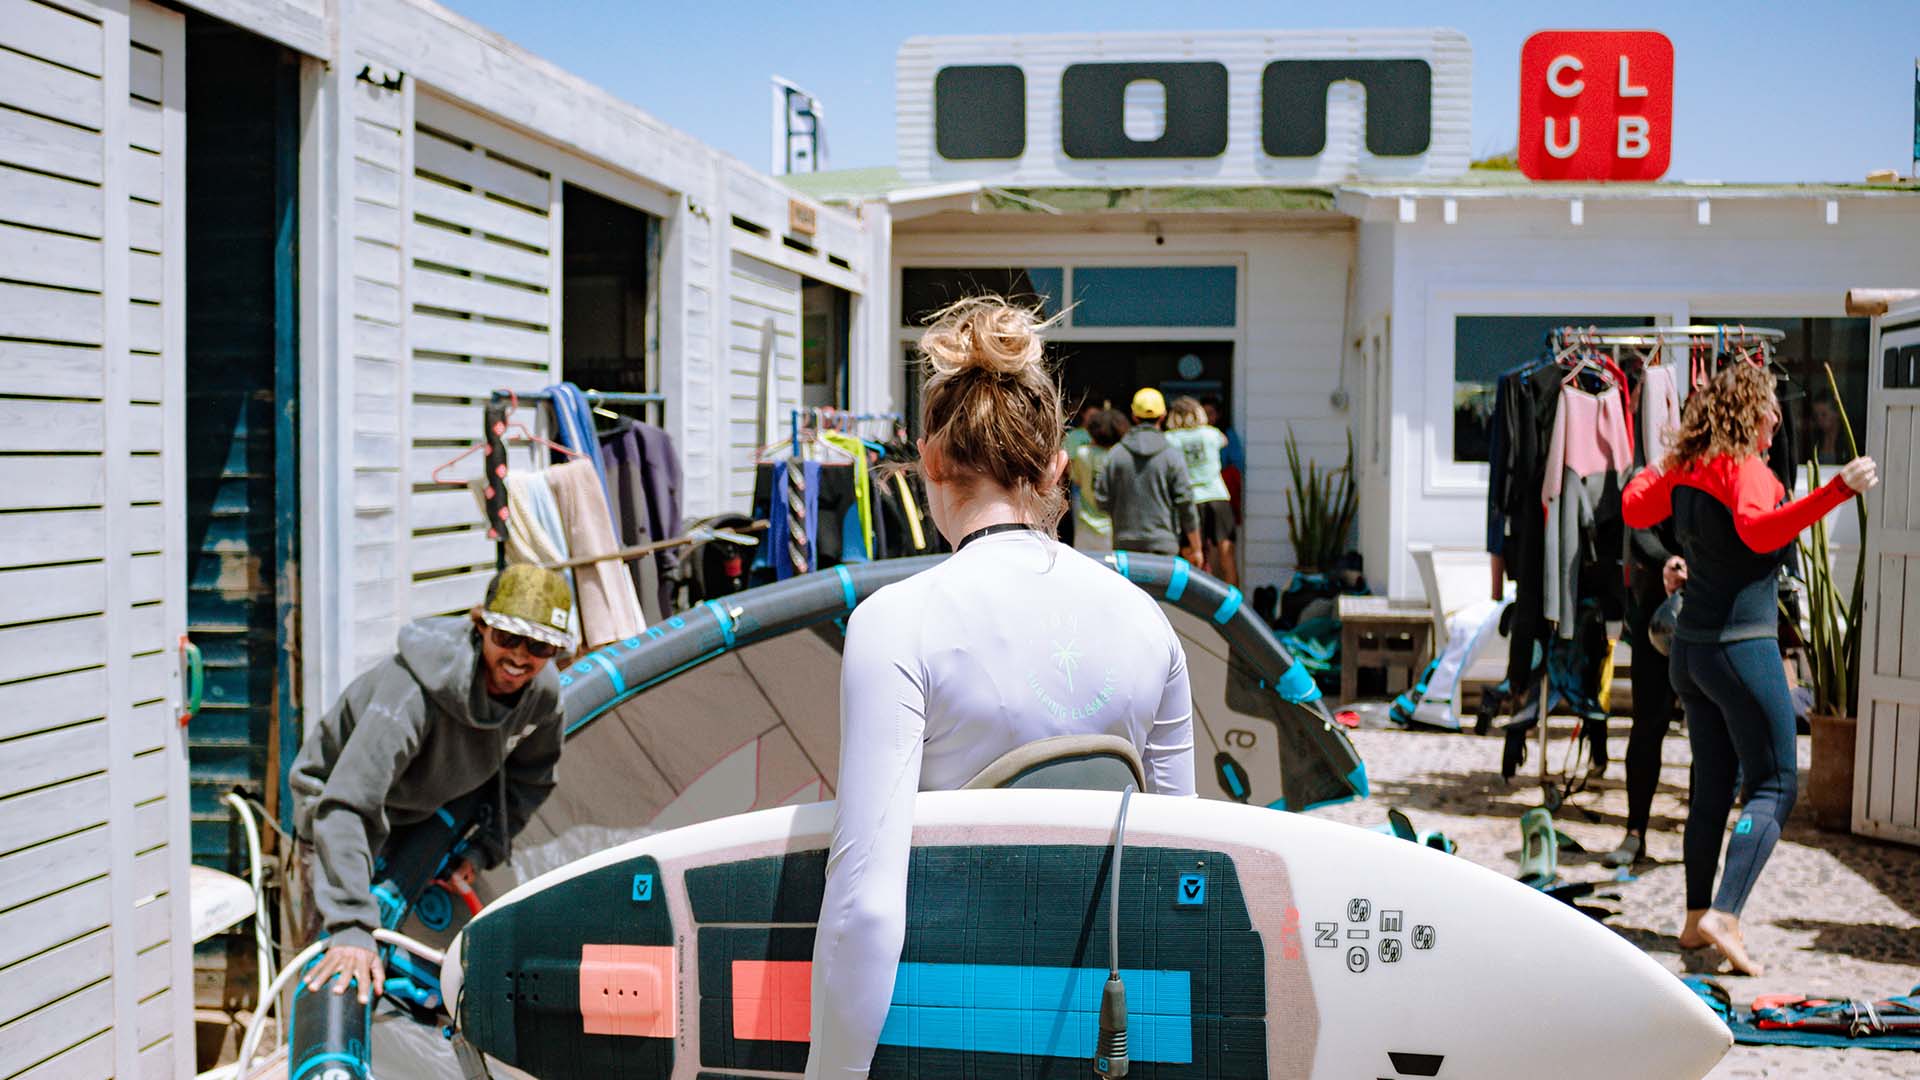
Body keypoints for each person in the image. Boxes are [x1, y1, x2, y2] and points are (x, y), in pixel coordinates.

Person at [806, 297, 1198, 1078]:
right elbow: (1182, 864)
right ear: (1056, 467)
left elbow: (867, 908)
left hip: (949, 1028)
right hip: (1101, 1035)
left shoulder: (898, 622)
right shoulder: (1149, 623)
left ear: (927, 460)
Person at [1622, 362, 1877, 976]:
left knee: (1711, 786)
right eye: (1768, 408)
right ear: (1747, 414)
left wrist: (1667, 464)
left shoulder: (1690, 468)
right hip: (1742, 647)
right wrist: (1836, 489)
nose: (1776, 419)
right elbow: (1760, 533)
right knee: (1776, 783)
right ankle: (1725, 914)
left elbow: (1633, 507)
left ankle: (1692, 920)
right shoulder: (1747, 470)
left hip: (1691, 652)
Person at [290, 564, 574, 1002]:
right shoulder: (412, 692)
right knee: (338, 967)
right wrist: (349, 923)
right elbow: (347, 804)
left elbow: (530, 778)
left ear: (554, 650)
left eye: (538, 646)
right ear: (481, 627)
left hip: (425, 810)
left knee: (397, 955)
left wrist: (483, 848)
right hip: (337, 810)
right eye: (507, 638)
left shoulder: (543, 695)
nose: (519, 657)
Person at [1095, 386, 1202, 565]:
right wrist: (1196, 548)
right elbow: (1186, 503)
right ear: (1163, 416)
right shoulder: (1171, 454)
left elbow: (1101, 499)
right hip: (1164, 545)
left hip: (1125, 545)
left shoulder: (1116, 453)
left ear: (1134, 416)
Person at [1165, 395, 1238, 585]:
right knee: (1226, 554)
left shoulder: (1170, 438)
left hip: (1190, 501)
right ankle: (1236, 605)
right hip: (1217, 495)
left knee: (1192, 555)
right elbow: (1224, 441)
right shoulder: (1211, 433)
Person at [1068, 407, 1127, 553]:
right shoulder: (1121, 455)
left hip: (1085, 523)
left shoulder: (1083, 454)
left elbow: (1077, 481)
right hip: (1114, 525)